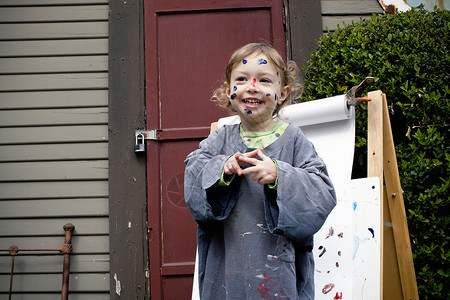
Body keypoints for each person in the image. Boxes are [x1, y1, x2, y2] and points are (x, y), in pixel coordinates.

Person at [184, 42, 336, 299]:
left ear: (283, 93)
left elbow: (321, 193)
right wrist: (221, 168)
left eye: (264, 80)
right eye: (242, 79)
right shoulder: (220, 139)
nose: (252, 86)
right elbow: (194, 176)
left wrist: (280, 175)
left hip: (279, 273)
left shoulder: (294, 140)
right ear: (227, 90)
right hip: (226, 271)